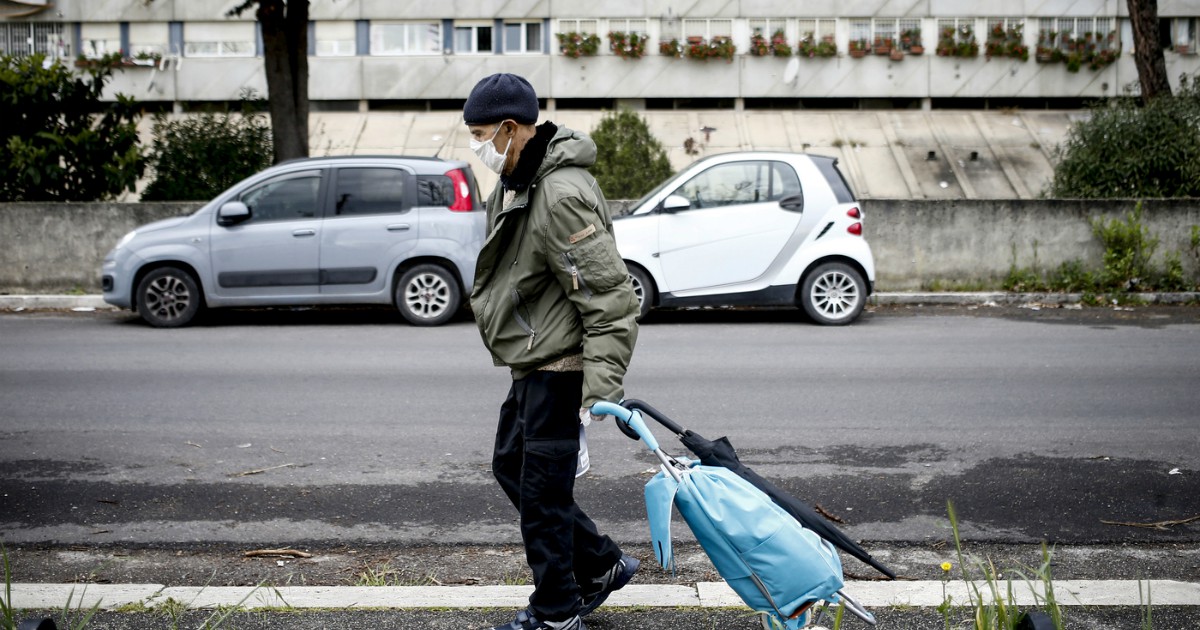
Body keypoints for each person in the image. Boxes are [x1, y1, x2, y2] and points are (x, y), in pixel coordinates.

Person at [464, 73, 641, 630]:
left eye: (480, 134)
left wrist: (600, 393)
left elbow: (610, 298)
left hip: (560, 366)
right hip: (534, 359)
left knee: (542, 495)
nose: (476, 147)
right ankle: (600, 563)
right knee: (511, 467)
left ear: (511, 129)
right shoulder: (520, 179)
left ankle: (557, 612)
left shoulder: (559, 194)